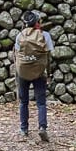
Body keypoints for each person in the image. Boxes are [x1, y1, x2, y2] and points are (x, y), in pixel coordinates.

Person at [13, 10, 54, 142]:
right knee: (41, 102)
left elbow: (17, 52)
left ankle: (24, 128)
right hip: (39, 71)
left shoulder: (20, 36)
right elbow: (49, 55)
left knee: (23, 102)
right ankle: (42, 127)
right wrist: (49, 73)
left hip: (23, 72)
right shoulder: (45, 35)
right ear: (37, 22)